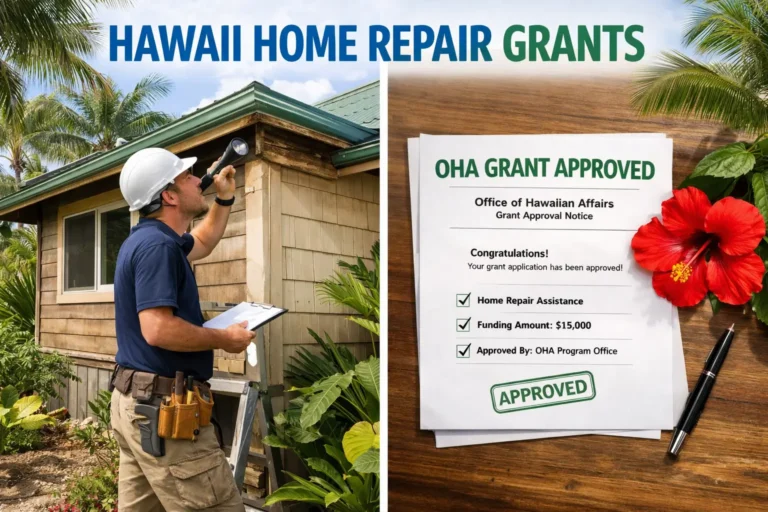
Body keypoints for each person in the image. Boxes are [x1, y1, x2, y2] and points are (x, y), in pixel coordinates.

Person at [110, 147, 254, 511]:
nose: (196, 179)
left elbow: (203, 241)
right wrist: (225, 339)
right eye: (186, 176)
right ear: (169, 196)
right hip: (165, 411)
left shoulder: (156, 241)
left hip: (137, 404)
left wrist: (224, 198)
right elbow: (157, 329)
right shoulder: (157, 246)